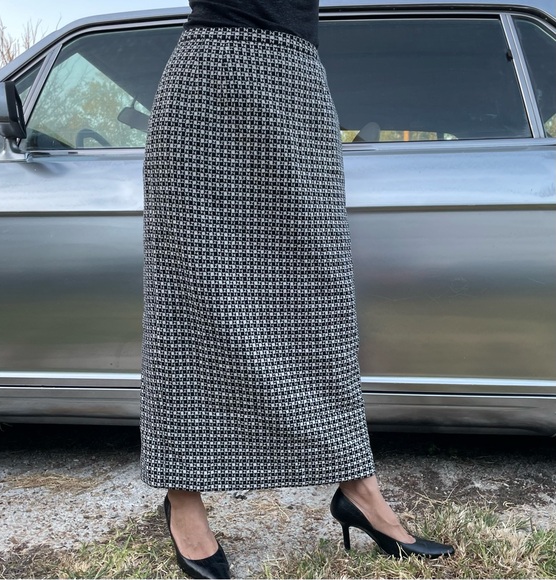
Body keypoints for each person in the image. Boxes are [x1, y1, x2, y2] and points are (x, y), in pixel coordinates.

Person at [141, 1, 454, 578]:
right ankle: (182, 496)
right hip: (206, 77)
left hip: (296, 81)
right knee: (189, 295)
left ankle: (357, 488)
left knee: (321, 299)